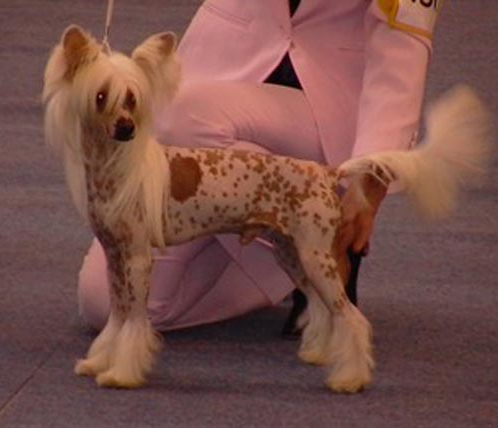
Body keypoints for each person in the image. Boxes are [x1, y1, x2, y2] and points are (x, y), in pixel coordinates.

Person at [78, 0, 441, 335]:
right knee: (104, 303)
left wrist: (372, 175)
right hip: (226, 72)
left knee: (187, 116)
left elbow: (403, 46)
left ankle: (317, 240)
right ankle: (300, 253)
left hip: (326, 110)